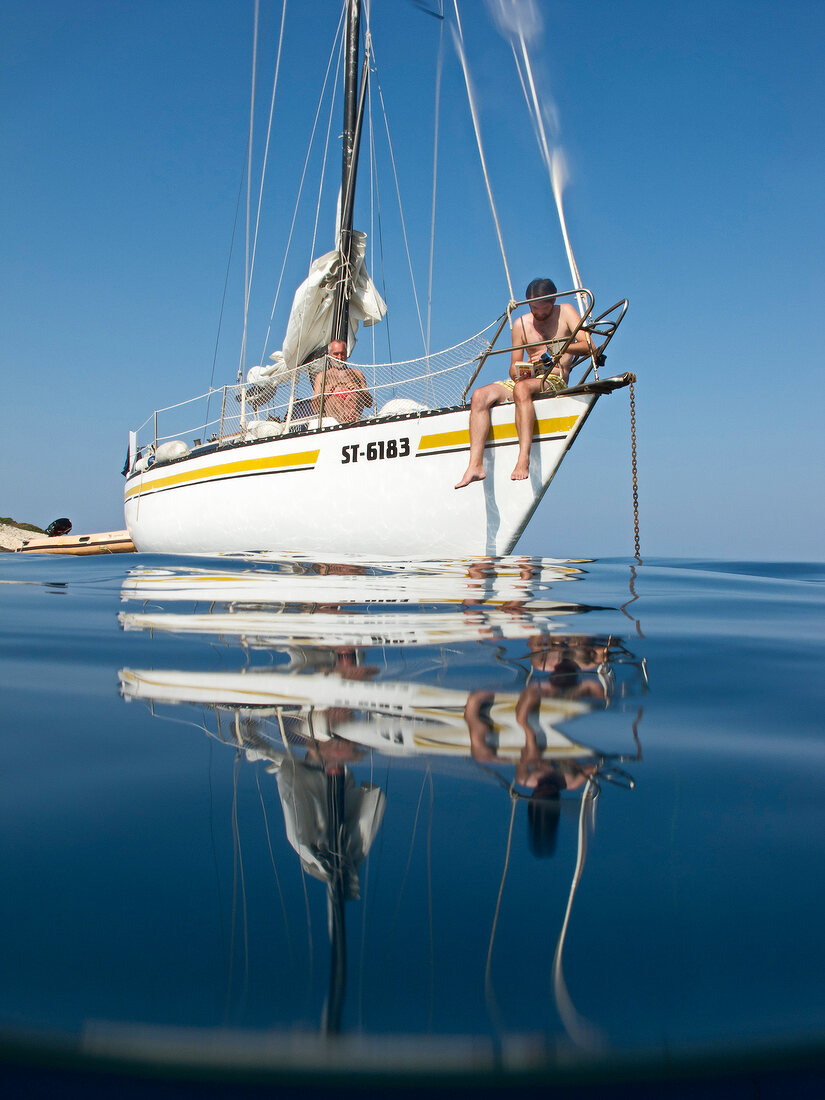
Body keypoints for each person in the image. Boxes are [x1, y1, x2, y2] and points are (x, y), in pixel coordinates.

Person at [455, 278, 593, 489]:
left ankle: (523, 458)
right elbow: (512, 367)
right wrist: (520, 371)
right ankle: (475, 465)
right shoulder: (521, 324)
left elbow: (589, 345)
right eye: (532, 307)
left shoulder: (565, 311)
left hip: (554, 376)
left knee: (521, 389)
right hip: (528, 377)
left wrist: (558, 349)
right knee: (479, 395)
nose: (537, 312)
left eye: (542, 308)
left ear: (553, 300)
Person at [312, 339, 373, 424]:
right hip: (334, 414)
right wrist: (324, 394)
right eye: (336, 354)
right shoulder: (321, 376)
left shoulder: (357, 373)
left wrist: (359, 390)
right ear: (329, 355)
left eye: (342, 353)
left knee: (352, 398)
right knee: (336, 401)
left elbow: (369, 403)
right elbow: (314, 408)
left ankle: (351, 421)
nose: (340, 357)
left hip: (354, 411)